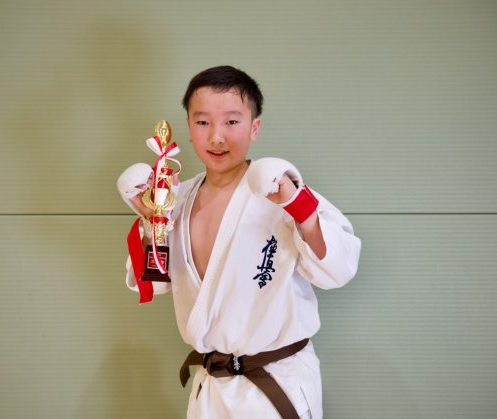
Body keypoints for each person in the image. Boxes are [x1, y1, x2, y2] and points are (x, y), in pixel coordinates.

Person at [118, 65, 361, 419]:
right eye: (203, 122)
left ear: (254, 127)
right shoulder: (174, 200)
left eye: (231, 121)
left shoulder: (281, 190)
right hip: (211, 388)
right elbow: (151, 285)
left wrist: (298, 207)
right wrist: (150, 221)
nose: (217, 137)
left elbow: (339, 270)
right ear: (189, 128)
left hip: (276, 384)